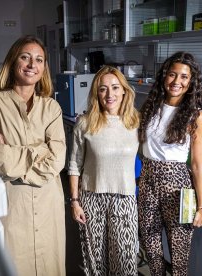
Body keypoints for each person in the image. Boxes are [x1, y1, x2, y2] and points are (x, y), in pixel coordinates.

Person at [0, 35, 66, 276]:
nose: (32, 64)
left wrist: (11, 153)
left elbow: (57, 160)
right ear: (13, 62)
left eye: (39, 59)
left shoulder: (52, 108)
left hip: (48, 205)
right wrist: (39, 150)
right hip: (13, 206)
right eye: (25, 57)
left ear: (44, 68)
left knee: (49, 265)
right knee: (13, 265)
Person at [137, 51, 202, 276]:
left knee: (179, 254)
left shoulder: (195, 116)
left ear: (191, 82)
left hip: (178, 187)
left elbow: (197, 165)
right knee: (151, 249)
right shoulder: (150, 107)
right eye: (172, 75)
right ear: (164, 76)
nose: (177, 81)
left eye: (184, 77)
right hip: (147, 182)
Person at [68, 65, 140, 275]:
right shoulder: (85, 123)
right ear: (96, 93)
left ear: (124, 91)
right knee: (95, 263)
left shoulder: (136, 122)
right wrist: (74, 202)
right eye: (103, 89)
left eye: (115, 88)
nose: (110, 94)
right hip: (92, 199)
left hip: (124, 199)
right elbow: (74, 165)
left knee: (125, 262)